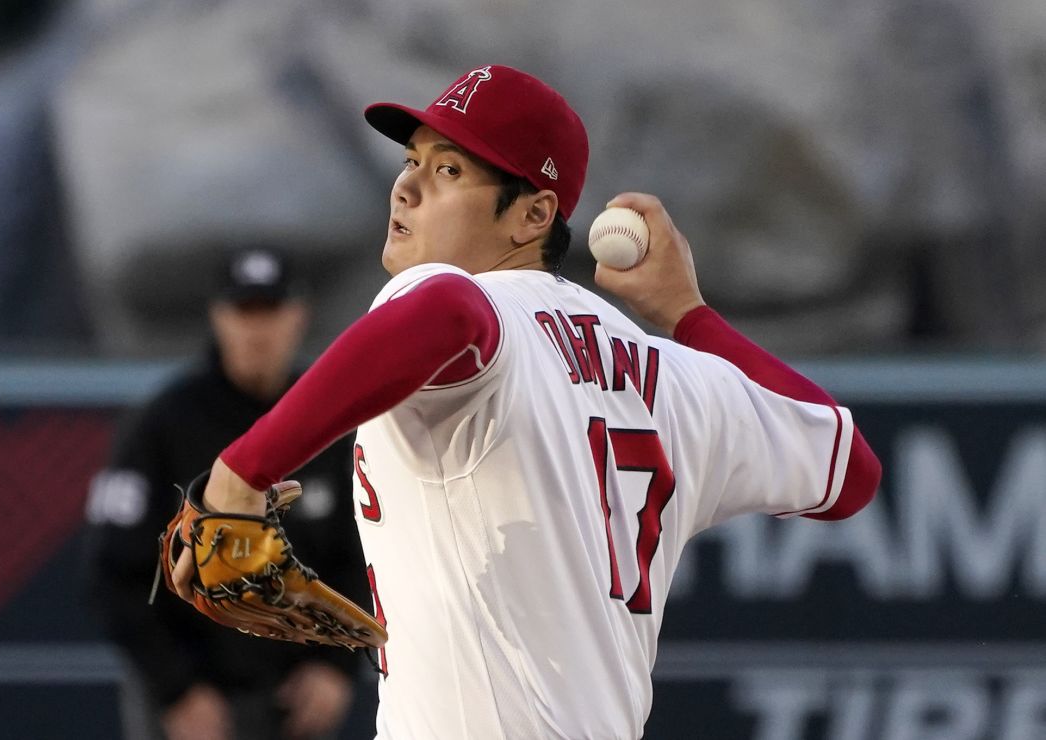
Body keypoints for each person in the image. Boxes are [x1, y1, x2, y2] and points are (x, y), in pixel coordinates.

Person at [169, 65, 883, 739]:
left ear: (532, 215)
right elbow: (848, 468)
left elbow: (446, 313)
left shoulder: (465, 306)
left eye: (449, 171)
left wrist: (241, 473)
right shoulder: (678, 376)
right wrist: (688, 315)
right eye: (411, 160)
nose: (407, 188)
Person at [84, 245, 369, 740]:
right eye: (244, 312)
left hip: (297, 702)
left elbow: (367, 552)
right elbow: (115, 571)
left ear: (297, 316)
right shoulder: (162, 425)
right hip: (192, 704)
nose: (257, 330)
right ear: (218, 317)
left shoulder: (330, 420)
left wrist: (337, 667)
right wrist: (175, 689)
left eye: (271, 311)